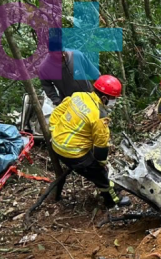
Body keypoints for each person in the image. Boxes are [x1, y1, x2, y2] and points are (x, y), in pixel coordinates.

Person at [49, 75, 130, 208]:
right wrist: (102, 163)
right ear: (104, 98)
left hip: (57, 143)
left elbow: (57, 112)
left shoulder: (78, 96)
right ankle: (113, 201)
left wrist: (54, 130)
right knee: (101, 175)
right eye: (113, 98)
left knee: (94, 164)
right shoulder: (100, 116)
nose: (114, 101)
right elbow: (101, 147)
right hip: (72, 153)